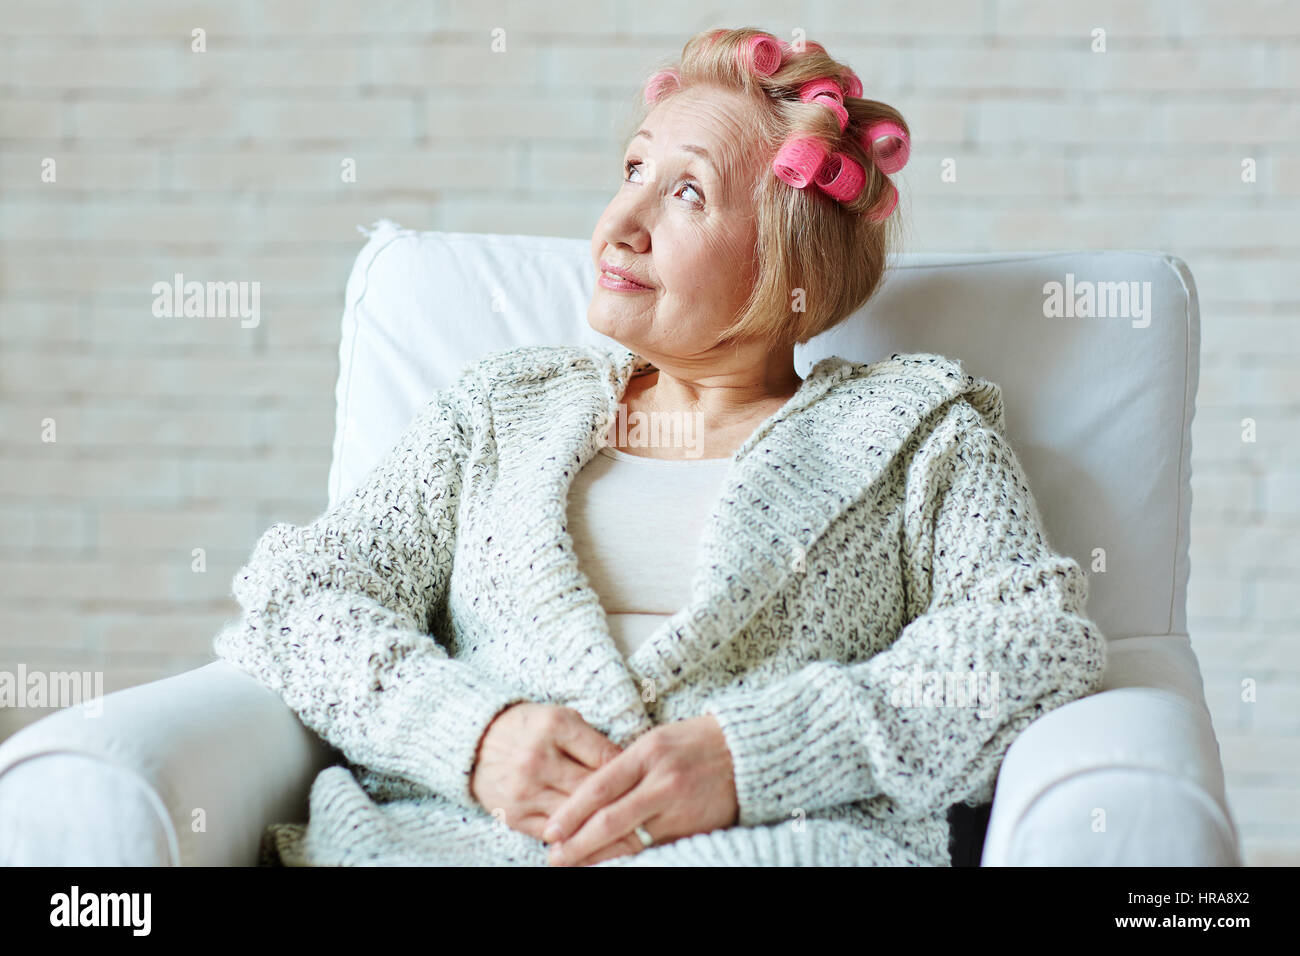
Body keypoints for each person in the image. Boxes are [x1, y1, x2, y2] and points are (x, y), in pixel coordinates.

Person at [212, 27, 1108, 867]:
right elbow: (299, 598)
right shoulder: (501, 411)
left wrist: (756, 756)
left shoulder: (917, 432)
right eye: (632, 168)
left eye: (686, 193)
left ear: (786, 267)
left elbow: (1031, 642)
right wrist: (471, 734)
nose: (620, 223)